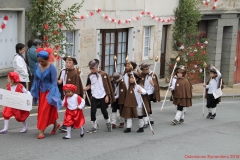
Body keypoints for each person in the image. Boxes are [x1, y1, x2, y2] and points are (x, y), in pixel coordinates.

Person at [30, 48, 62, 139]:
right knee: (44, 111)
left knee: (45, 110)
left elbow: (54, 82)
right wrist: (34, 91)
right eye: (39, 61)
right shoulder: (37, 65)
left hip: (49, 92)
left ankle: (42, 130)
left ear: (47, 59)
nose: (40, 63)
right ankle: (56, 124)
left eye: (42, 61)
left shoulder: (52, 67)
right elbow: (36, 80)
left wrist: (52, 94)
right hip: (41, 91)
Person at [83, 59, 115, 133]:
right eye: (90, 68)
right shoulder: (90, 76)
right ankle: (93, 126)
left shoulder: (103, 74)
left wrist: (107, 96)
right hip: (94, 95)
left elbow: (107, 86)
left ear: (97, 67)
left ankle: (108, 123)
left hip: (102, 95)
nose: (91, 70)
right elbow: (89, 84)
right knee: (93, 111)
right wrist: (86, 88)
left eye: (93, 68)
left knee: (104, 110)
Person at [58, 56, 83, 132]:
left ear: (73, 63)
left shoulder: (75, 73)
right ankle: (70, 124)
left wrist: (75, 96)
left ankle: (68, 124)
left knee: (71, 110)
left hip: (72, 95)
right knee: (68, 109)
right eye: (67, 62)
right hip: (65, 93)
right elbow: (60, 82)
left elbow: (77, 86)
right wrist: (53, 79)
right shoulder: (63, 71)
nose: (68, 64)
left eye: (70, 62)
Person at [139, 63, 160, 127]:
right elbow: (140, 81)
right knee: (148, 106)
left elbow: (156, 86)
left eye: (143, 70)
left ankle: (146, 121)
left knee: (145, 106)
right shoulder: (142, 74)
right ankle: (150, 120)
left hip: (149, 93)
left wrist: (153, 84)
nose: (142, 71)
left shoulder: (153, 75)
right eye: (142, 70)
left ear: (147, 69)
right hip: (143, 92)